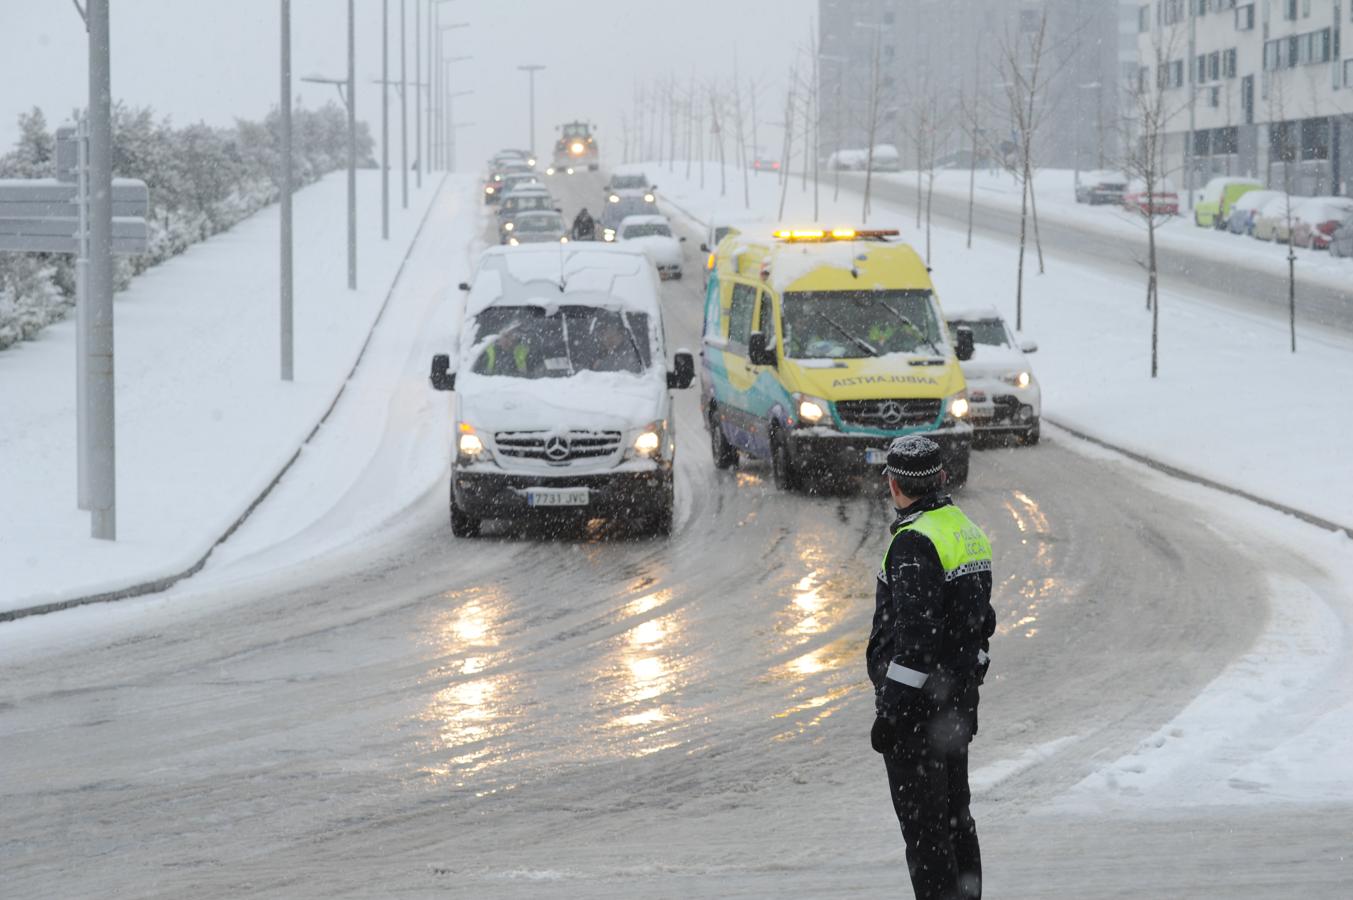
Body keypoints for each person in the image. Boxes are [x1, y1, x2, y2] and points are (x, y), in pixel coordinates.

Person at [866, 434, 995, 900]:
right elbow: (982, 625)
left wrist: (892, 714)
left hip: (920, 718)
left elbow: (915, 646)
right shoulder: (963, 529)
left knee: (926, 835)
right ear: (940, 479)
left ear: (895, 485)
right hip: (953, 709)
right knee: (957, 819)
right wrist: (967, 678)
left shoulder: (914, 543)